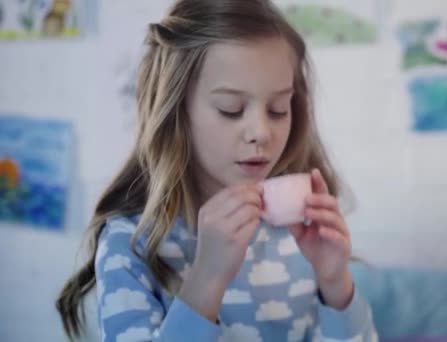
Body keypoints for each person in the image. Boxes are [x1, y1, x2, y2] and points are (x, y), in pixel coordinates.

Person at [56, 0, 378, 340]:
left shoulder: (300, 233)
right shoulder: (130, 244)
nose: (261, 132)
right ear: (177, 111)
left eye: (278, 109)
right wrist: (206, 278)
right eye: (231, 109)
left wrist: (335, 283)